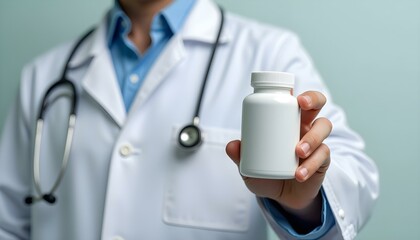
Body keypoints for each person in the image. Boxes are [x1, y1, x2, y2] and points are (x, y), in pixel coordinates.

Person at [0, 0, 379, 239]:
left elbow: (354, 174)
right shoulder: (45, 75)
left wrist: (305, 202)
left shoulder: (270, 51)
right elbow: (8, 221)